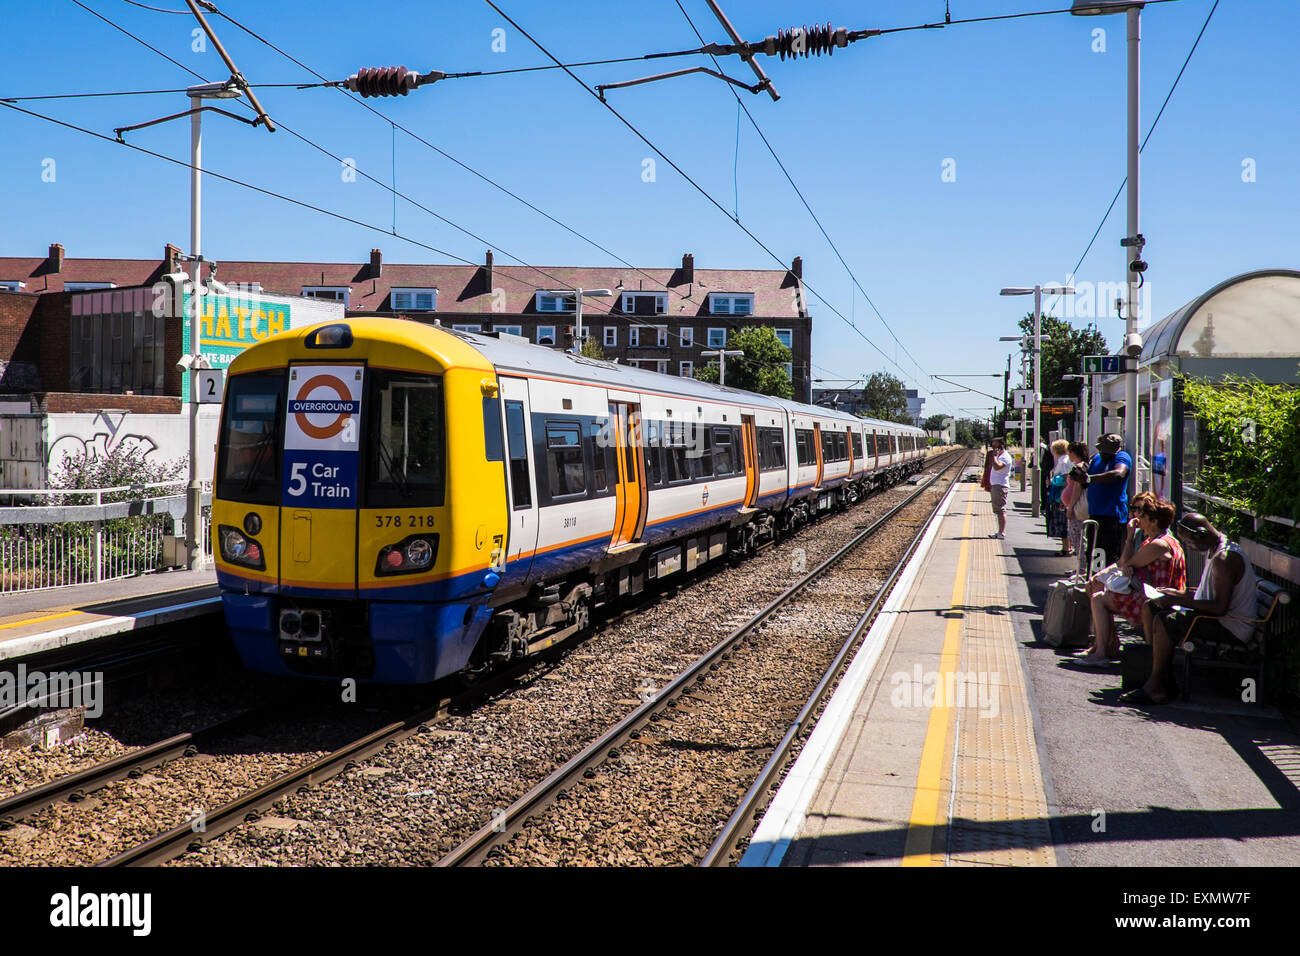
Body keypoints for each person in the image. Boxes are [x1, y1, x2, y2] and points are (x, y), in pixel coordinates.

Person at [1127, 513, 1258, 705]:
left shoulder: (1224, 558)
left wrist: (1178, 599)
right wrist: (1176, 594)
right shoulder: (1216, 549)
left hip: (1232, 627)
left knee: (1166, 620)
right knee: (1153, 607)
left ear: (1201, 535)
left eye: (1189, 542)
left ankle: (1156, 686)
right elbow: (1207, 595)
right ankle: (1162, 679)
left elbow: (1219, 607)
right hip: (1220, 620)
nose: (1189, 547)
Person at [1075, 497, 1185, 667]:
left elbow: (1127, 563)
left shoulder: (1158, 545)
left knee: (1098, 598)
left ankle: (1101, 653)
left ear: (1154, 521)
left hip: (1154, 599)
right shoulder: (1164, 540)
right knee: (1098, 588)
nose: (1137, 518)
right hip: (1153, 594)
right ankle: (1106, 645)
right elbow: (1126, 565)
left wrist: (1129, 537)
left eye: (1142, 516)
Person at [1085, 433, 1131, 566]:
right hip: (1095, 513)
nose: (1104, 454)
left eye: (1107, 452)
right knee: (1093, 553)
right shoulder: (1097, 458)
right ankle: (1094, 581)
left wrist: (1090, 478)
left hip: (1112, 515)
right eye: (1102, 451)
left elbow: (1118, 473)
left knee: (1109, 554)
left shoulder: (1121, 457)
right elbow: (1087, 478)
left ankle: (1106, 584)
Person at [1062, 441, 1090, 574]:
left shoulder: (1078, 468)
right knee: (1079, 539)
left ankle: (1082, 569)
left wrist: (1070, 507)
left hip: (1077, 509)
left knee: (1078, 539)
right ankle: (1081, 568)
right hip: (1079, 507)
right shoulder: (1085, 466)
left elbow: (1077, 489)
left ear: (1074, 453)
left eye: (1069, 453)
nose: (1068, 456)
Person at [1045, 439, 1071, 553]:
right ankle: (1067, 547)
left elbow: (1066, 478)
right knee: (1064, 522)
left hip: (1060, 496)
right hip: (1063, 495)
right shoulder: (1067, 460)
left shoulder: (1063, 461)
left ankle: (1066, 548)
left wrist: (1052, 481)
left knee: (1062, 523)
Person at [985, 437, 1012, 539]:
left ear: (1001, 446)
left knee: (1001, 510)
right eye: (992, 446)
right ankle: (1000, 531)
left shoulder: (1005, 457)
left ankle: (1001, 532)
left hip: (1000, 486)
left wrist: (995, 457)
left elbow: (997, 467)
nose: (993, 449)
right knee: (998, 510)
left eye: (995, 446)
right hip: (997, 485)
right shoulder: (1000, 456)